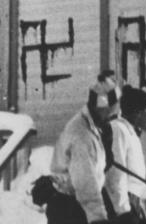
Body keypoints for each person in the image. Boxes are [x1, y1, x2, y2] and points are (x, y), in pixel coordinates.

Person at [48, 71, 120, 224]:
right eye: (110, 113)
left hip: (78, 204)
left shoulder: (93, 126)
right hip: (69, 209)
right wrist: (98, 218)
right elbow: (85, 183)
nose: (111, 118)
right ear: (101, 108)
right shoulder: (81, 135)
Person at [105, 85, 146, 224]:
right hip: (120, 204)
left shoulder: (130, 131)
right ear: (137, 113)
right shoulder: (119, 129)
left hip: (131, 200)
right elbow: (115, 173)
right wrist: (123, 210)